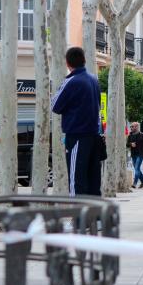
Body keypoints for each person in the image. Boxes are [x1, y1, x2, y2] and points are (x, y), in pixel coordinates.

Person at [52, 46, 102, 197]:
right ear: (84, 60)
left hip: (77, 136)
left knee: (76, 179)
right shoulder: (94, 79)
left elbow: (55, 106)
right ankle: (96, 217)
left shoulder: (71, 81)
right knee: (93, 181)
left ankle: (78, 217)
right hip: (94, 136)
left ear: (67, 63)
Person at [127, 122, 143, 189]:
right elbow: (127, 144)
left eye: (132, 126)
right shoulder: (130, 135)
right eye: (131, 127)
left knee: (137, 168)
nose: (131, 128)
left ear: (137, 127)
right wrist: (131, 144)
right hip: (133, 154)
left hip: (141, 154)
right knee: (137, 168)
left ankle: (134, 183)